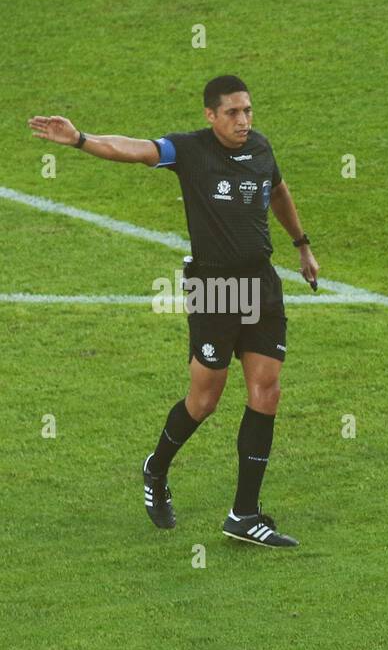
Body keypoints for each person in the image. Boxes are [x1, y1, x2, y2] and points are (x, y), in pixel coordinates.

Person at [28, 75, 320, 546]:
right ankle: (156, 467)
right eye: (232, 113)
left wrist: (302, 246)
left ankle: (244, 516)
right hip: (216, 289)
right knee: (205, 400)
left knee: (266, 391)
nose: (243, 120)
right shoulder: (190, 151)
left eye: (248, 111)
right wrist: (81, 140)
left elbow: (279, 191)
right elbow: (135, 149)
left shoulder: (262, 148)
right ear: (210, 115)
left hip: (261, 284)